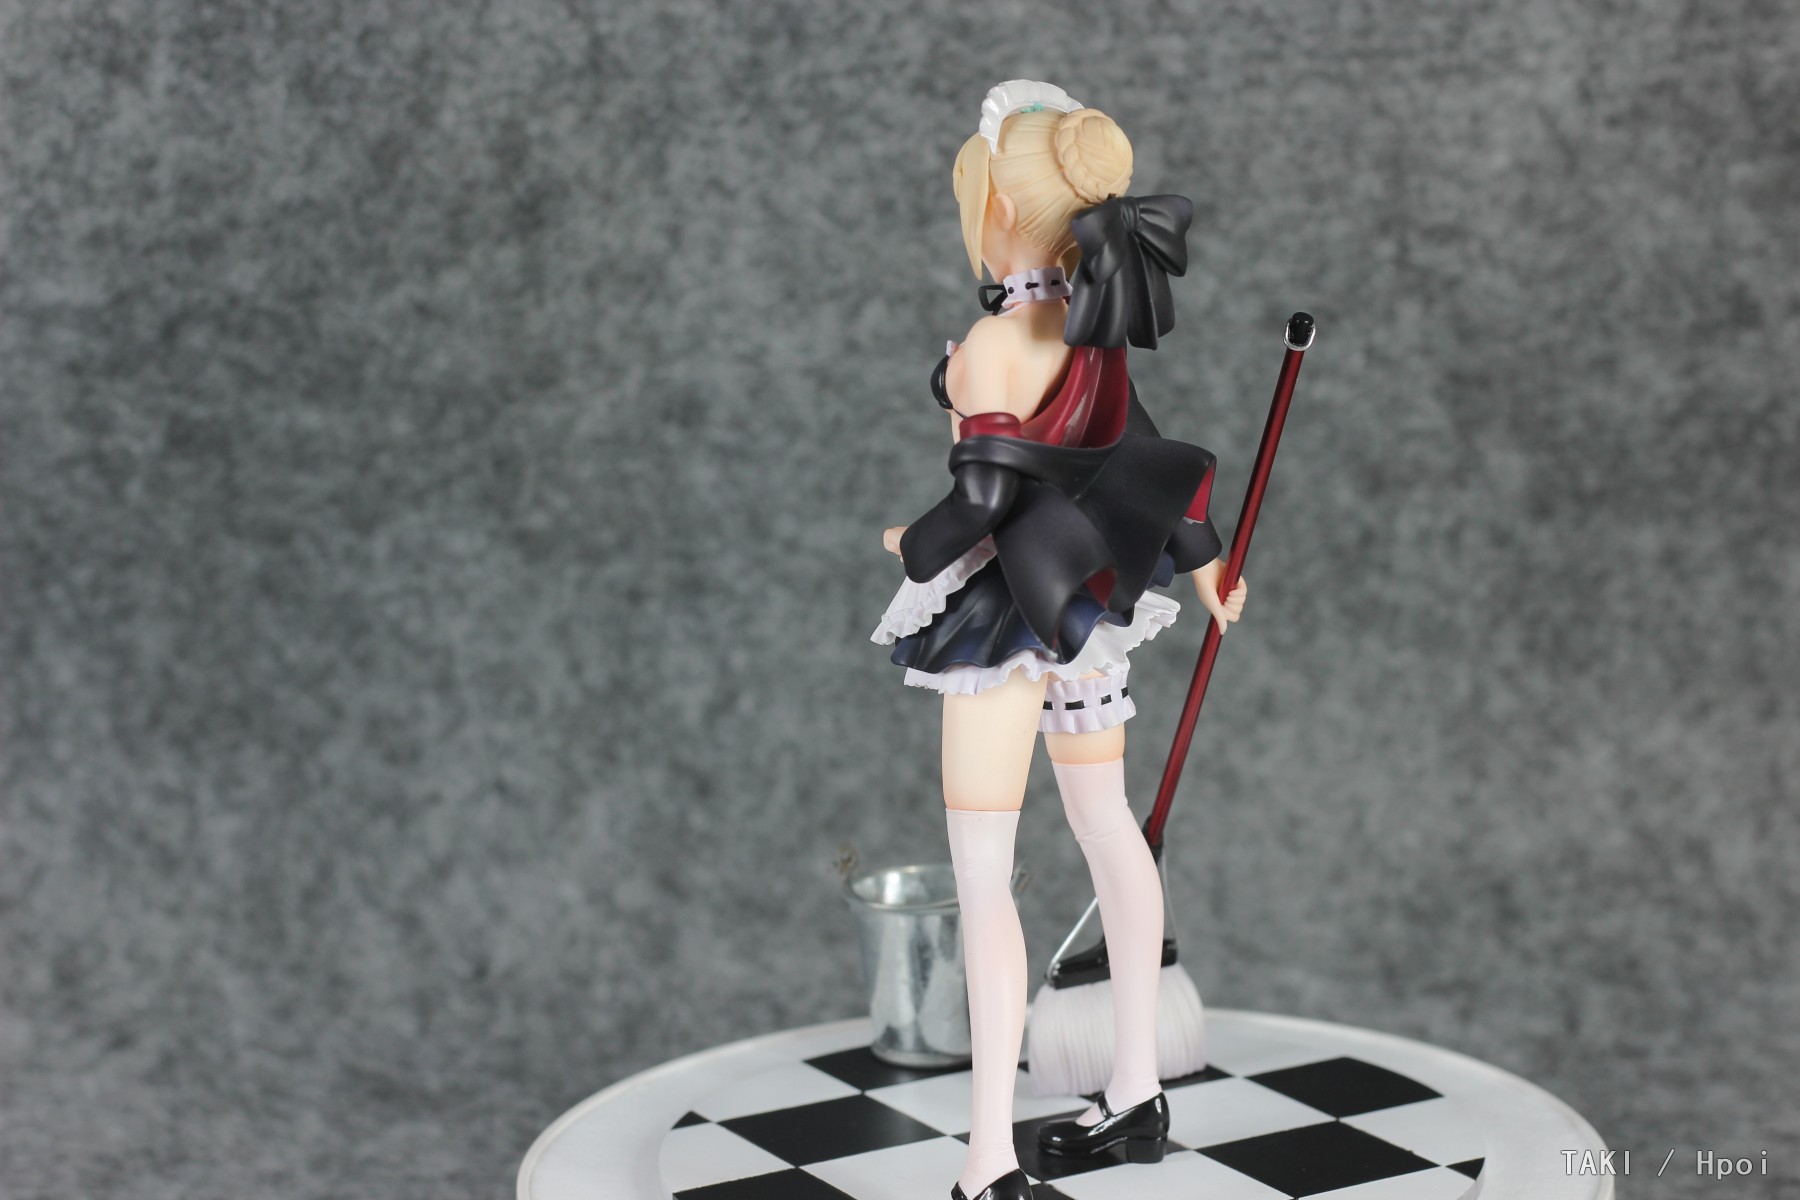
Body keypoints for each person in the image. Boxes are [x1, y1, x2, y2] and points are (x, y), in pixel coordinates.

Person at [870, 81, 1248, 1200]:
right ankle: (1136, 1088)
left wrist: (907, 546)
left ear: (997, 212)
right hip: (1086, 614)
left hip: (1002, 623)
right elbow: (1147, 453)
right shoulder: (1093, 332)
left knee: (985, 877)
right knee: (1107, 827)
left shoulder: (997, 344)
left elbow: (981, 505)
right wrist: (1208, 562)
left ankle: (989, 1162)